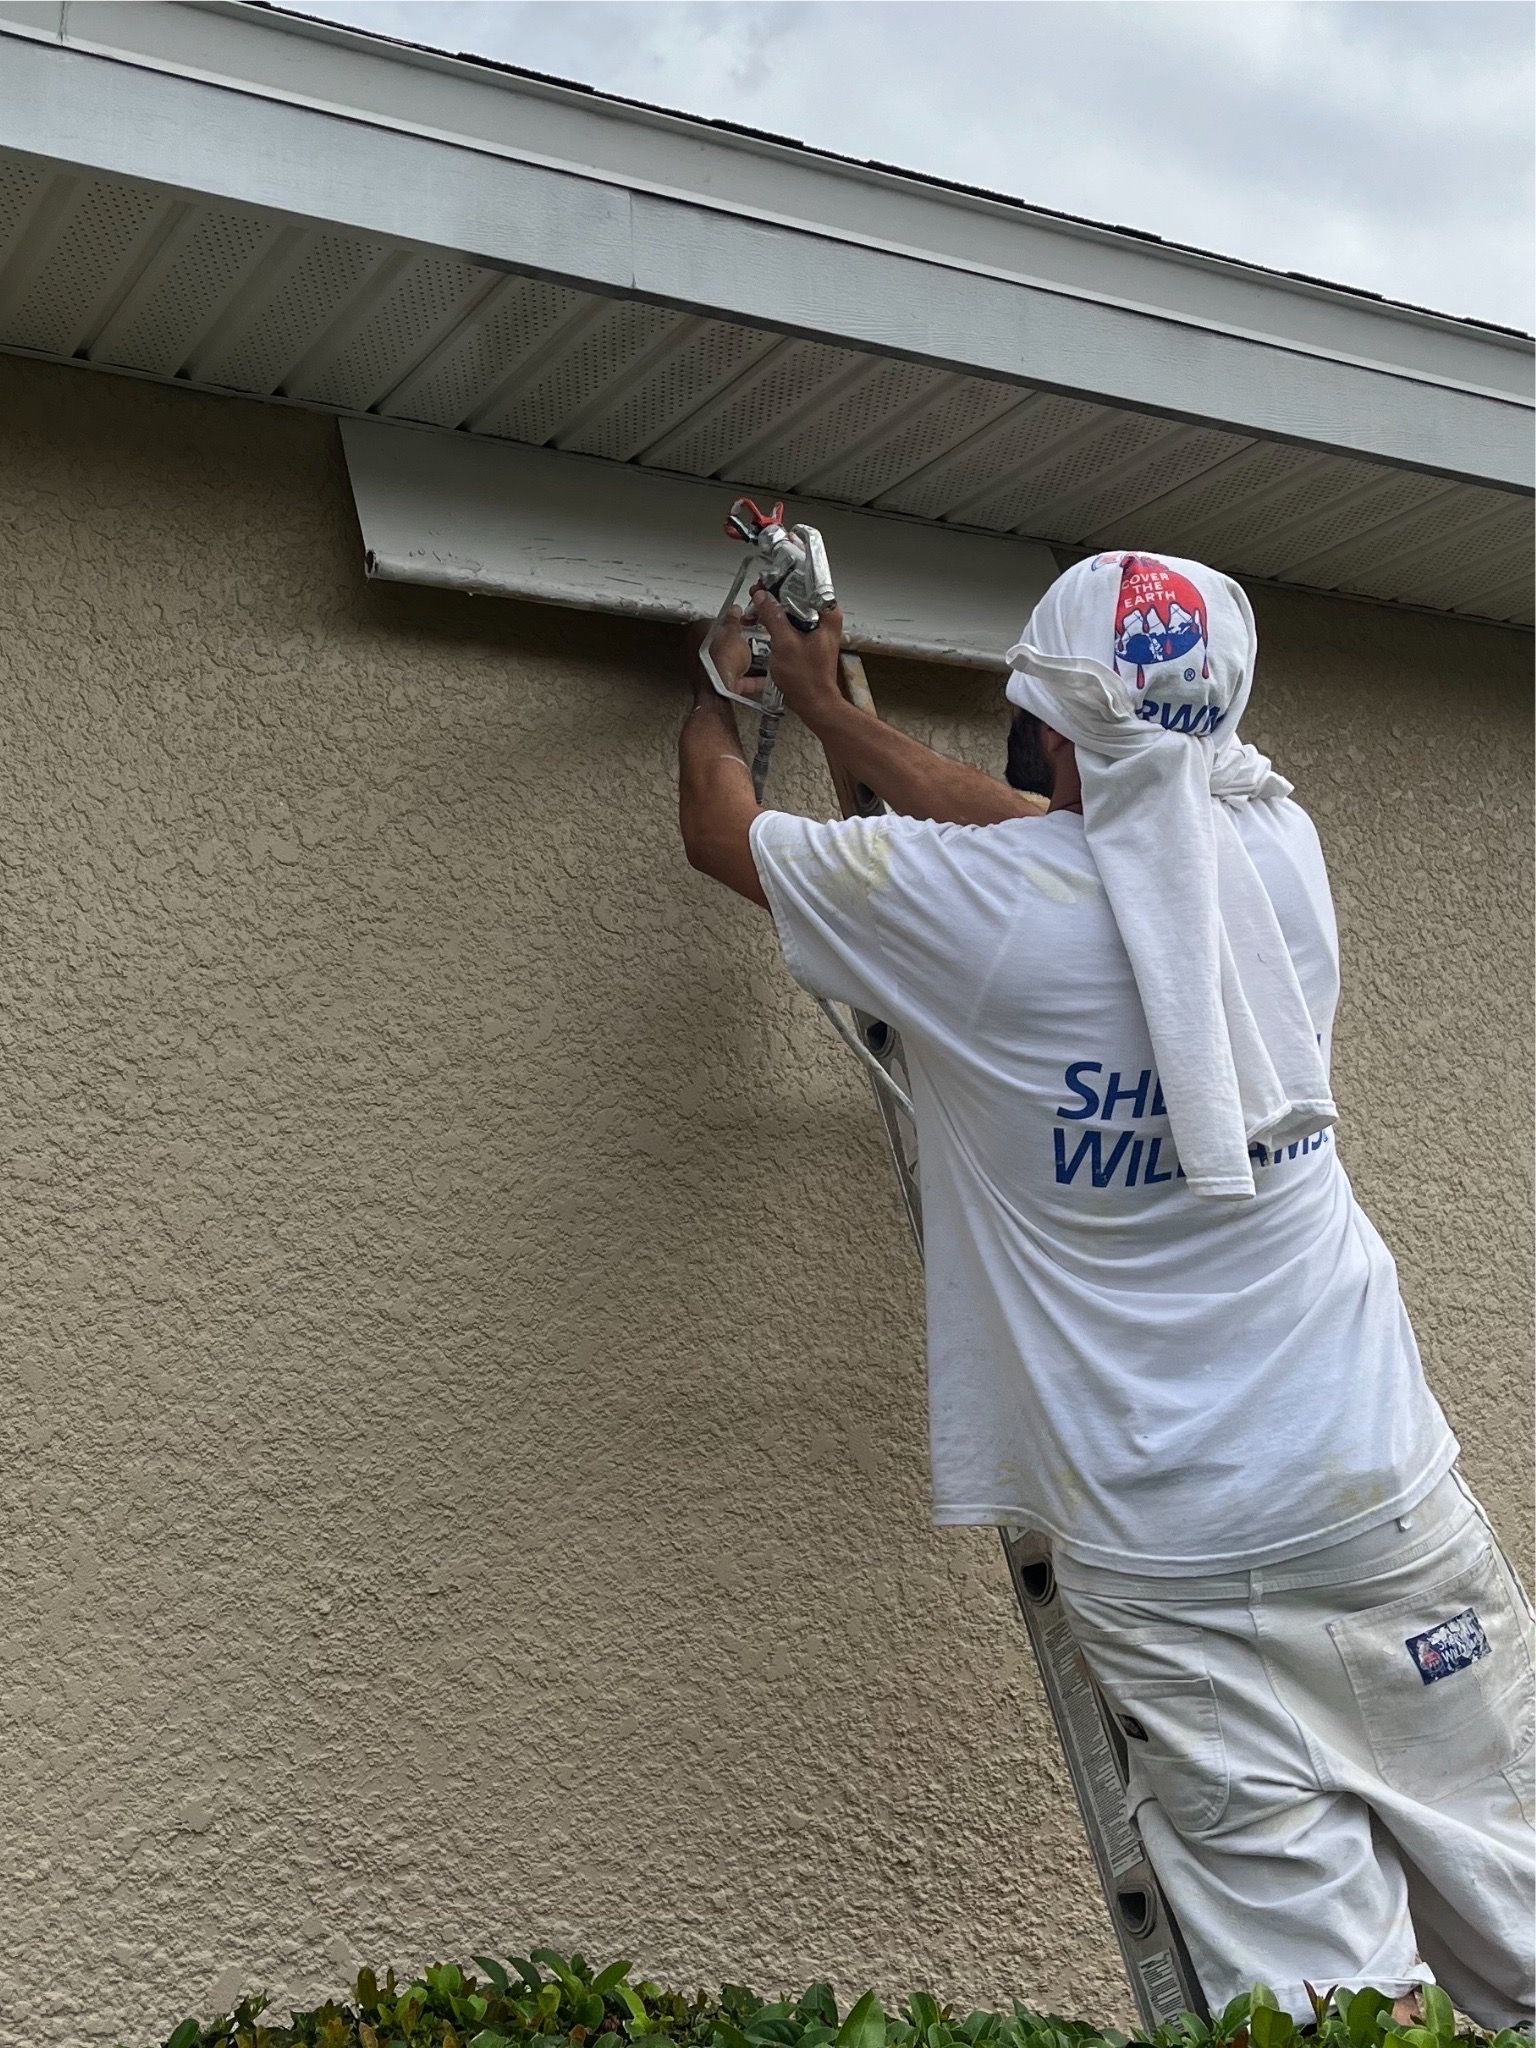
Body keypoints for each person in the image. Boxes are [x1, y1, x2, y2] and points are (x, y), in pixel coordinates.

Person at [676, 551, 1535, 2027]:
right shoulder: (1276, 857)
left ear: (1048, 720)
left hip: (1168, 1551)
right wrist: (844, 723)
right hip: (1378, 1501)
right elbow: (1096, 831)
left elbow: (721, 833)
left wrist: (728, 694)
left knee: (1327, 2008)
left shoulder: (977, 911)